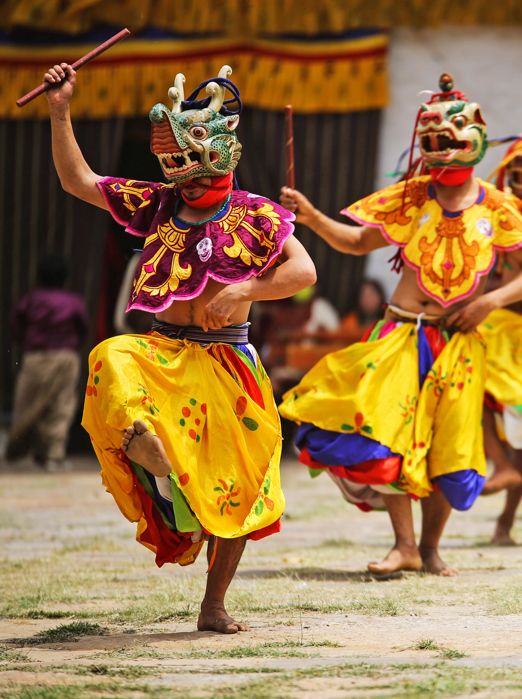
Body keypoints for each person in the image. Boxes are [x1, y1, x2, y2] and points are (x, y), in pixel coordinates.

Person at [42, 62, 315, 633]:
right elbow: (79, 183)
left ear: (220, 154)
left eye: (190, 166)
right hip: (165, 354)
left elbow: (303, 271)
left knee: (240, 487)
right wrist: (60, 108)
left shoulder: (257, 213)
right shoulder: (159, 204)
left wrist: (245, 287)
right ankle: (149, 449)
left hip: (227, 361)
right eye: (174, 168)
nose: (183, 180)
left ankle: (213, 605)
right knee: (112, 354)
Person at [279, 74, 522, 575]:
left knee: (447, 446)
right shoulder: (412, 196)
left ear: (474, 137)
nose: (439, 149)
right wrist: (313, 217)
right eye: (430, 141)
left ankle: (431, 548)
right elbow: (354, 243)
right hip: (400, 336)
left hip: (460, 342)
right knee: (385, 433)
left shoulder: (500, 208)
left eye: (449, 139)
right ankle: (405, 545)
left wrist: (490, 302)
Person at [477, 137, 522, 543]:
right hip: (502, 330)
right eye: (517, 170)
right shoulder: (499, 217)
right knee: (473, 387)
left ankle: (505, 522)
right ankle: (499, 463)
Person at [6, 256, 89, 471]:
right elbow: (83, 327)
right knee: (61, 405)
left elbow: (15, 325)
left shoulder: (31, 299)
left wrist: (25, 341)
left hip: (36, 357)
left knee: (28, 403)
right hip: (66, 357)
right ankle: (53, 455)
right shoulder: (73, 301)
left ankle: (17, 451)